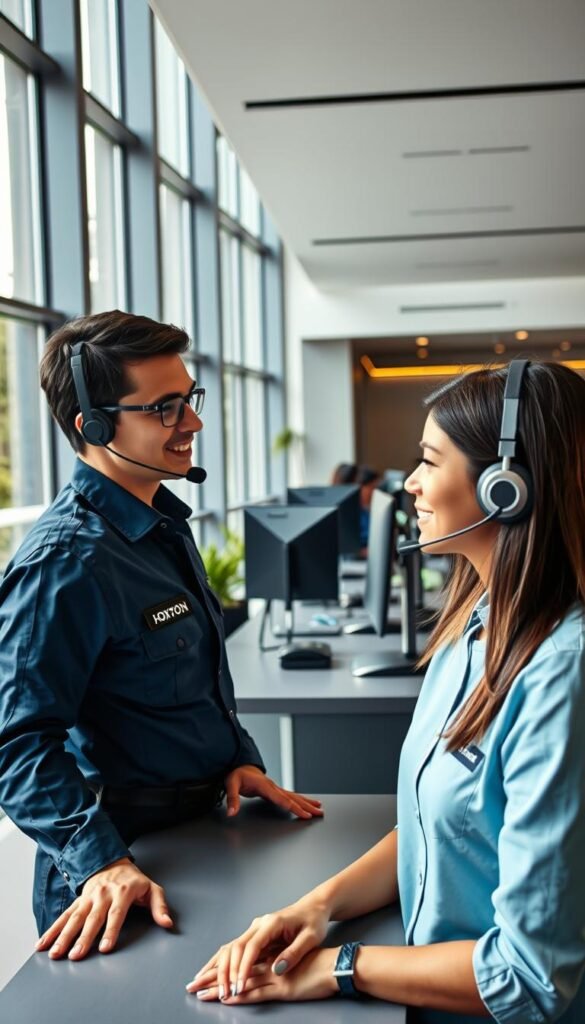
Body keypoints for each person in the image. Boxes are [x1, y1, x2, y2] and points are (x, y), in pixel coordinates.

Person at [187, 360, 585, 1023]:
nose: (414, 487)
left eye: (429, 462)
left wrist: (337, 968)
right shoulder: (473, 629)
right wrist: (317, 907)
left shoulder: (559, 677)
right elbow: (440, 831)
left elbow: (527, 979)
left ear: (505, 489)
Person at [0, 310, 322, 963]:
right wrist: (100, 863)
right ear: (93, 425)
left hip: (201, 835)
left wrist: (236, 759)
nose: (193, 424)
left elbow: (181, 685)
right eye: (167, 409)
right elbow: (15, 744)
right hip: (121, 873)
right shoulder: (66, 562)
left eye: (189, 400)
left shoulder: (162, 527)